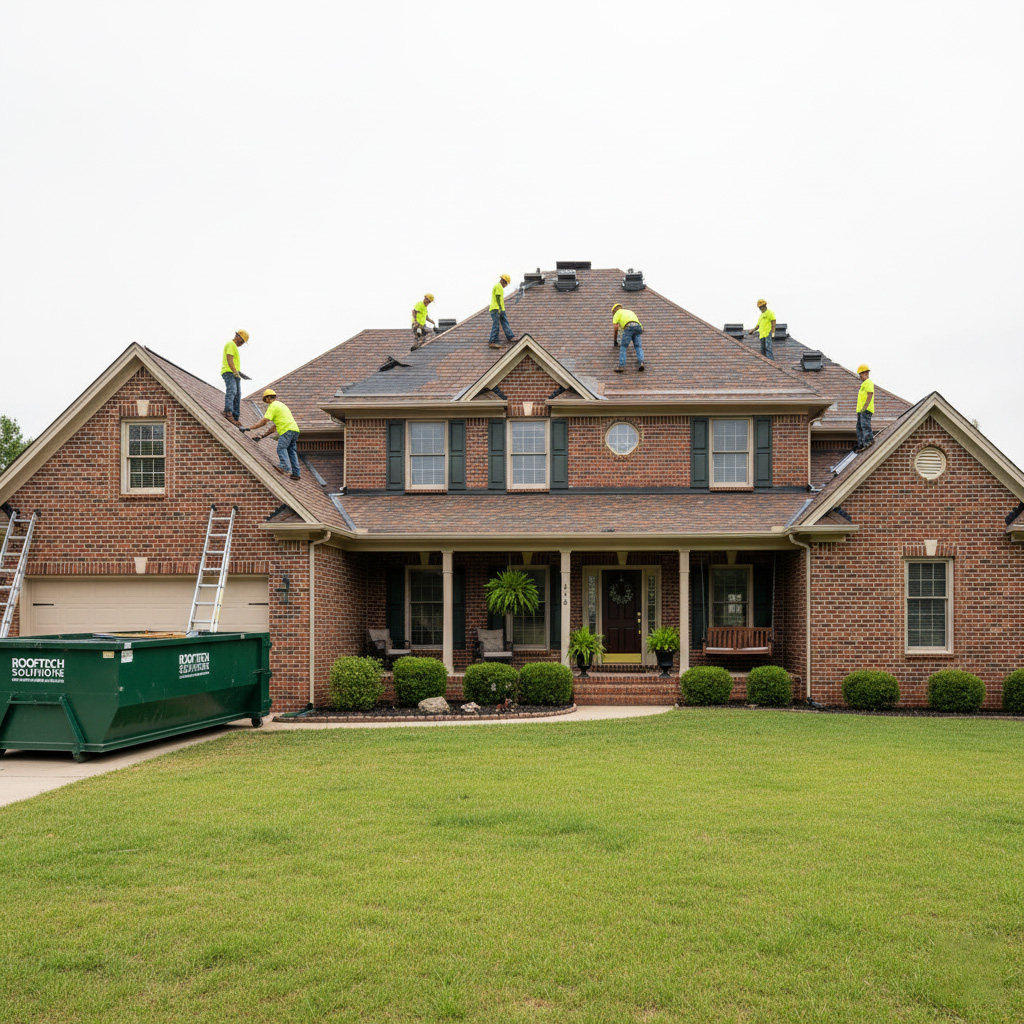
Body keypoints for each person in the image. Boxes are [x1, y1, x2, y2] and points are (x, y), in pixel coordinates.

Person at [249, 388, 301, 479]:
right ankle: (296, 473)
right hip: (295, 430)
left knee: (281, 448)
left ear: (268, 398)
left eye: (266, 400)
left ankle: (284, 467)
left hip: (286, 430)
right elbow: (274, 428)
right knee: (291, 451)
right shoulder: (281, 405)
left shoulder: (273, 406)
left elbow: (264, 421)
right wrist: (262, 436)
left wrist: (250, 428)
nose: (266, 402)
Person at [221, 330, 251, 423]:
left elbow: (234, 363)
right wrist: (235, 372)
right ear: (237, 336)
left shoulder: (234, 347)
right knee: (232, 390)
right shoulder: (230, 344)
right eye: (241, 341)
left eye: (243, 342)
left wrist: (239, 373)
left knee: (237, 394)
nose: (241, 344)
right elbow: (229, 360)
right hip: (229, 372)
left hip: (234, 373)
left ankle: (235, 417)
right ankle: (228, 412)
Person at [611, 303, 645, 372]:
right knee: (638, 346)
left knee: (623, 346)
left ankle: (621, 366)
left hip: (629, 326)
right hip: (638, 327)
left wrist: (615, 341)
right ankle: (641, 362)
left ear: (614, 311)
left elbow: (616, 328)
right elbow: (639, 325)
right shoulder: (630, 312)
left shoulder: (617, 313)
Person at [488, 273, 517, 348]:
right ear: (504, 281)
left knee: (504, 322)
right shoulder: (498, 286)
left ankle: (510, 336)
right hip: (496, 309)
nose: (505, 286)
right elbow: (498, 297)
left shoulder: (499, 286)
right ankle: (492, 341)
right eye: (506, 284)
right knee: (496, 325)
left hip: (500, 309)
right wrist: (500, 308)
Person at [856, 364, 875, 451]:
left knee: (865, 426)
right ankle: (861, 444)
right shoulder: (863, 384)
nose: (860, 376)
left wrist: (865, 407)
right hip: (861, 410)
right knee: (859, 427)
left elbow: (870, 394)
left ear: (866, 373)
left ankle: (868, 441)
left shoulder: (868, 382)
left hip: (865, 410)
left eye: (861, 374)